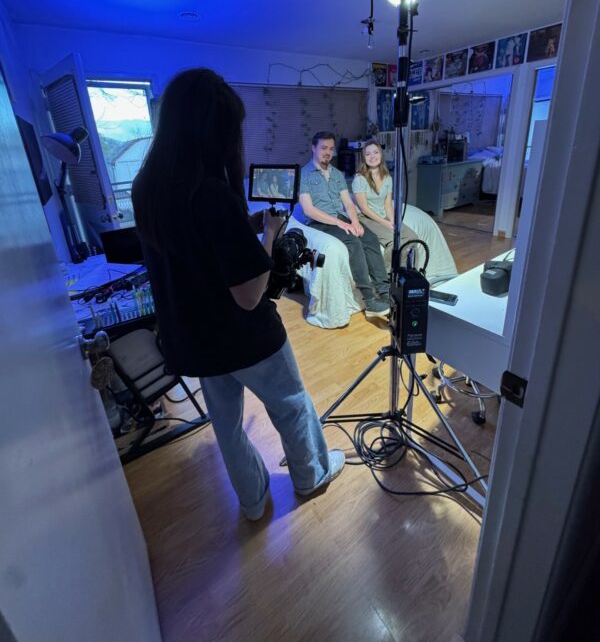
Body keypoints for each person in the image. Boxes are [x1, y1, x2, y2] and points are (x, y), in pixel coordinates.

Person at [131, 69, 344, 522]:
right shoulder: (212, 193)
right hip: (245, 338)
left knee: (226, 427)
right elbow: (250, 295)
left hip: (195, 340)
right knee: (291, 404)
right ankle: (311, 476)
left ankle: (251, 502)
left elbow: (195, 250)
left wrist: (243, 230)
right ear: (212, 132)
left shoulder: (147, 187)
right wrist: (268, 234)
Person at [298, 131, 390, 318]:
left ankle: (385, 292)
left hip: (341, 218)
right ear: (313, 148)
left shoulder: (338, 174)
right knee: (353, 242)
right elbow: (308, 210)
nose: (328, 152)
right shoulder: (303, 175)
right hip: (320, 222)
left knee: (370, 238)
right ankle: (370, 300)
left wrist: (355, 222)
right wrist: (340, 223)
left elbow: (348, 203)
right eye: (323, 148)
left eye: (331, 149)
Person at [351, 140, 419, 270]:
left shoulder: (387, 178)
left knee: (412, 237)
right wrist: (385, 223)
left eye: (375, 152)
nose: (372, 156)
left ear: (381, 154)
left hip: (383, 215)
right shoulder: (359, 179)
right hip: (366, 218)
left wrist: (393, 221)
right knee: (393, 241)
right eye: (368, 154)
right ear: (364, 158)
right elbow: (364, 209)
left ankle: (410, 272)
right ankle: (388, 275)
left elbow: (388, 205)